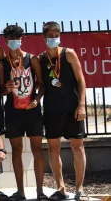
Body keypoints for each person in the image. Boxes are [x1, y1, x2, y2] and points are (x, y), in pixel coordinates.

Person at [0, 25, 47, 200]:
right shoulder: (2, 63)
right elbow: (1, 91)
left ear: (21, 38)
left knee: (37, 150)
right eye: (10, 38)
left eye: (17, 37)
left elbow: (41, 84)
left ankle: (40, 192)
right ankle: (20, 192)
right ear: (5, 40)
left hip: (32, 111)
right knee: (16, 151)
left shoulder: (32, 59)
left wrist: (36, 100)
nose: (14, 41)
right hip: (12, 112)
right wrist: (6, 88)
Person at [39, 22, 87, 201]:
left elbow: (81, 80)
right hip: (52, 109)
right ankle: (61, 188)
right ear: (43, 38)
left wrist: (81, 104)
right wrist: (36, 98)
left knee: (77, 147)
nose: (53, 39)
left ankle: (80, 189)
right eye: (50, 36)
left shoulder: (69, 53)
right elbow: (41, 85)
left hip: (73, 108)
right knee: (53, 148)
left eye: (56, 35)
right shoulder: (41, 58)